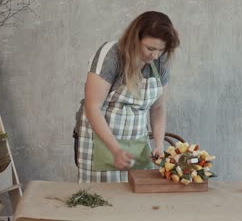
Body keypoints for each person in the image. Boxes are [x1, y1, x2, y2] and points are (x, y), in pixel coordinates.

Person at [73, 11, 180, 183]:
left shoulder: (160, 61)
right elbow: (93, 107)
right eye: (150, 48)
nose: (155, 56)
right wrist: (115, 150)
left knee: (135, 202)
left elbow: (158, 107)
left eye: (161, 50)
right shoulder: (112, 55)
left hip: (136, 143)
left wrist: (159, 145)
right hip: (101, 143)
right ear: (134, 39)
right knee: (101, 201)